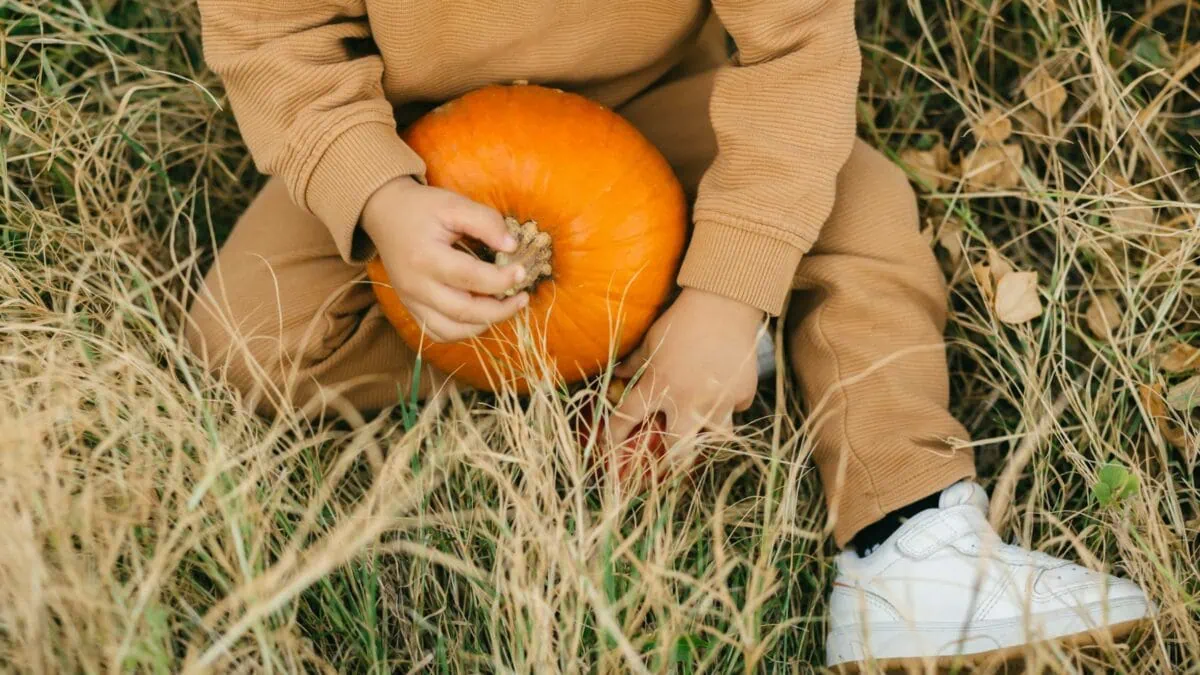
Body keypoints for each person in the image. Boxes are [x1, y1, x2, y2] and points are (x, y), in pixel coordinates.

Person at [188, 0, 1152, 668]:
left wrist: (730, 294)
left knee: (858, 207)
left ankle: (911, 541)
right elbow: (273, 32)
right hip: (416, 142)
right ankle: (613, 363)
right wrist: (379, 196)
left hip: (656, 111)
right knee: (254, 328)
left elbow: (796, 52)